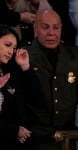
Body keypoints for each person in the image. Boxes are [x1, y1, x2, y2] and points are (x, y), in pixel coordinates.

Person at [21, 8, 78, 150]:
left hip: (67, 138)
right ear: (35, 27)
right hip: (35, 140)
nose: (51, 33)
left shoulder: (74, 56)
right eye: (45, 27)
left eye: (56, 28)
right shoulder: (23, 55)